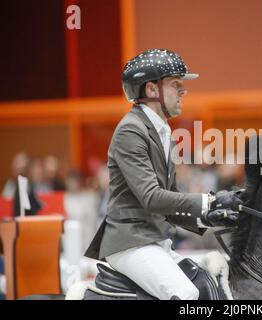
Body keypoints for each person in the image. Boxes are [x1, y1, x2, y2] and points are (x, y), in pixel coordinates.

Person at [84, 49, 242, 300]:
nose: (183, 91)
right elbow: (152, 198)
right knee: (185, 293)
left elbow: (170, 204)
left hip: (156, 242)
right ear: (151, 90)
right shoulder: (130, 131)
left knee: (211, 284)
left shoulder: (163, 131)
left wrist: (211, 216)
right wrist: (209, 201)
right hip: (131, 243)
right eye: (175, 85)